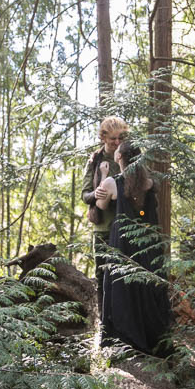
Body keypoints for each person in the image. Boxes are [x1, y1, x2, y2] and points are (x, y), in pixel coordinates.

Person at [95, 139, 172, 357]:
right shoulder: (148, 182)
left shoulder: (112, 182)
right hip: (147, 240)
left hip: (123, 240)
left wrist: (102, 174)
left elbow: (100, 204)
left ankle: (124, 335)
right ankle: (151, 335)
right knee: (146, 283)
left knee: (122, 284)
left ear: (119, 157)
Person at [81, 116, 129, 310]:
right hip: (102, 227)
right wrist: (96, 194)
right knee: (102, 274)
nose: (117, 143)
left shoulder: (128, 156)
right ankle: (103, 321)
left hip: (126, 226)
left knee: (124, 276)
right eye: (113, 139)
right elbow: (85, 195)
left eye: (120, 138)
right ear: (103, 137)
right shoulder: (95, 160)